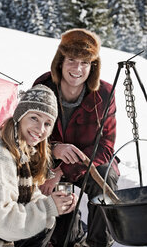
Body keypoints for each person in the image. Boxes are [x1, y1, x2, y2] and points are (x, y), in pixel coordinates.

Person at [33, 28, 120, 247]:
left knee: (105, 178)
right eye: (72, 60)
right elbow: (27, 133)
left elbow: (106, 147)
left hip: (90, 164)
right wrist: (54, 149)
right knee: (63, 238)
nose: (77, 68)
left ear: (93, 66)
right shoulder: (44, 87)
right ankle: (67, 234)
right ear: (60, 61)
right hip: (50, 161)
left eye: (85, 62)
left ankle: (99, 242)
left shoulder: (105, 94)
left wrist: (62, 171)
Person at [0, 84, 78, 247]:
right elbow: (3, 223)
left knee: (49, 221)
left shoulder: (22, 151)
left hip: (0, 235)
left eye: (47, 123)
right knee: (45, 220)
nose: (40, 129)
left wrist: (55, 203)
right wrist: (48, 207)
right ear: (20, 116)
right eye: (34, 118)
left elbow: (29, 196)